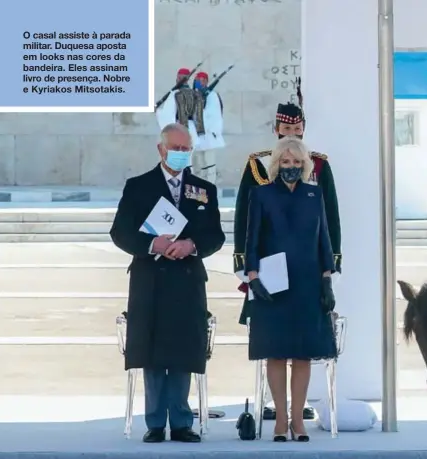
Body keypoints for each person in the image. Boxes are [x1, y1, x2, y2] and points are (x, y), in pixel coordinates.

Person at [109, 123, 226, 443]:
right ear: (161, 150)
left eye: (185, 149)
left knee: (183, 349)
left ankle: (182, 420)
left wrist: (192, 245)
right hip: (151, 280)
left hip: (187, 280)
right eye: (175, 149)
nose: (180, 154)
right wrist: (152, 244)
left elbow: (215, 235)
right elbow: (120, 232)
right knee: (152, 349)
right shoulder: (138, 186)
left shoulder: (203, 189)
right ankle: (156, 422)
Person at [232, 101, 342, 420]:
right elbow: (244, 221)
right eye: (286, 129)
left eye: (297, 129)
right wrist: (246, 268)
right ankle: (276, 408)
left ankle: (298, 409)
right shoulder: (258, 165)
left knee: (305, 345)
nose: (291, 134)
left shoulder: (318, 166)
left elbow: (330, 220)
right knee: (272, 344)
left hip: (308, 270)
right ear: (276, 129)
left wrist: (330, 267)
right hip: (268, 269)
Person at [155, 68, 225, 182]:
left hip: (184, 131)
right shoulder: (196, 94)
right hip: (193, 132)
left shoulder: (176, 94)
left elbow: (168, 115)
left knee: (187, 163)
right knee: (194, 163)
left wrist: (157, 111)